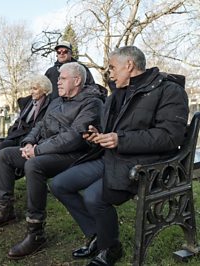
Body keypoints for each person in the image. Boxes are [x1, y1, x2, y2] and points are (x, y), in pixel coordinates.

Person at [49, 46, 189, 266]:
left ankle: (110, 247)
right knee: (59, 184)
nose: (110, 73)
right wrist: (97, 134)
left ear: (129, 65)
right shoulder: (118, 93)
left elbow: (170, 137)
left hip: (144, 165)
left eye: (112, 67)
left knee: (94, 198)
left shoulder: (169, 90)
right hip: (111, 158)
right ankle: (97, 234)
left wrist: (120, 140)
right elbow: (111, 129)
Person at [0, 63, 104, 254]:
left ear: (77, 80)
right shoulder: (57, 101)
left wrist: (37, 151)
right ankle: (6, 211)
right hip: (46, 149)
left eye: (62, 78)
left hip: (74, 155)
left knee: (34, 165)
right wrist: (28, 143)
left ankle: (35, 231)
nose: (58, 82)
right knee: (5, 154)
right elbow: (39, 126)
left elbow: (73, 137)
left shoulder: (92, 103)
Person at [0, 75, 52, 212]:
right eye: (31, 88)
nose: (31, 91)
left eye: (35, 88)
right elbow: (19, 120)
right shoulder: (28, 102)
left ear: (44, 90)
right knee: (1, 148)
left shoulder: (50, 104)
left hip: (33, 137)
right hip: (19, 134)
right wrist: (12, 130)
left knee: (7, 153)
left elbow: (42, 126)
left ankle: (3, 196)